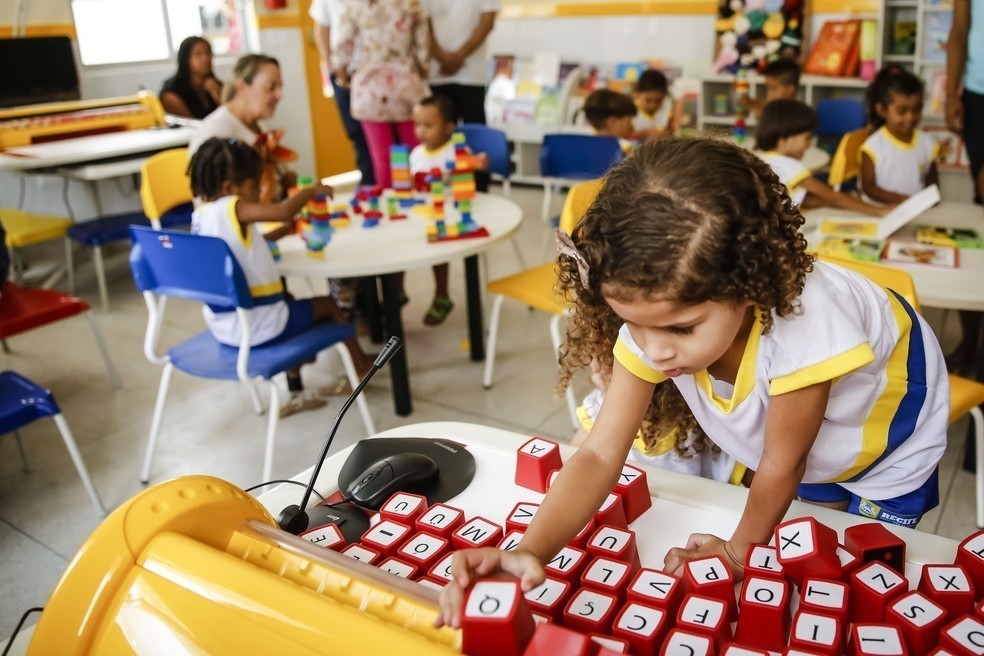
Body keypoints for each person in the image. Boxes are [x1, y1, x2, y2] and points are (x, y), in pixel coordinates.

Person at [437, 138, 949, 626]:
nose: (654, 350)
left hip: (890, 451)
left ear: (751, 285)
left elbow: (782, 463)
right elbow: (597, 454)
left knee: (864, 576)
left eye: (681, 328)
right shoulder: (659, 324)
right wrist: (528, 550)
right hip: (809, 448)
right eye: (632, 322)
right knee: (807, 558)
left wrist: (736, 552)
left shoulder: (806, 328)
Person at [188, 137, 376, 417]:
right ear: (229, 188)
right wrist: (312, 191)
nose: (258, 192)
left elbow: (239, 247)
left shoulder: (202, 216)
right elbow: (282, 210)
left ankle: (296, 378)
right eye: (254, 186)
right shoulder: (233, 207)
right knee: (328, 305)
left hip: (225, 325)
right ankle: (360, 368)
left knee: (290, 300)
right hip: (259, 326)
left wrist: (280, 233)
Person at [407, 96, 487, 326]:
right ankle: (398, 291)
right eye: (417, 125)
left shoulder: (457, 151)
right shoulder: (416, 155)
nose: (421, 131)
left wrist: (477, 163)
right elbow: (413, 186)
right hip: (423, 212)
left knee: (438, 249)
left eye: (428, 125)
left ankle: (441, 294)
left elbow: (470, 171)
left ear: (448, 127)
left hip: (451, 213)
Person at [333, 0, 430, 189]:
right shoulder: (412, 4)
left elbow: (342, 45)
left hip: (370, 88)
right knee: (416, 153)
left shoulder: (355, 5)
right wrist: (421, 71)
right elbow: (422, 50)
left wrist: (343, 76)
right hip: (406, 85)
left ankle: (391, 207)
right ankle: (422, 201)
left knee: (383, 158)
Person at [188, 54, 297, 203]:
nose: (279, 95)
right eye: (271, 87)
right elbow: (211, 205)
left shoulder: (258, 125)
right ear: (242, 88)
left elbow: (282, 177)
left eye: (279, 87)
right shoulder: (215, 133)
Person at [757, 99, 888, 216]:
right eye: (807, 138)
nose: (809, 145)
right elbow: (833, 196)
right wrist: (878, 211)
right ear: (785, 138)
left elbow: (805, 201)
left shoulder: (761, 157)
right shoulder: (790, 166)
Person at [944, 0, 984, 371]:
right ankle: (971, 343)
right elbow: (959, 32)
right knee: (979, 212)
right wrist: (951, 91)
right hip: (977, 93)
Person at [309, 0, 376, 187]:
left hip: (375, 73)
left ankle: (380, 181)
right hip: (342, 72)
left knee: (379, 131)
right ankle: (368, 181)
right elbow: (322, 29)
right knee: (355, 131)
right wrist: (331, 66)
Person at [860, 66, 940, 205]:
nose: (910, 117)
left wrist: (928, 201)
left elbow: (932, 184)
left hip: (916, 212)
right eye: (902, 111)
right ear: (882, 110)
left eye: (917, 109)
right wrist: (904, 201)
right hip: (879, 211)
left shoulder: (928, 143)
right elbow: (868, 188)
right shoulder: (873, 146)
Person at [424, 0, 499, 126]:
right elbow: (423, 26)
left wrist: (456, 57)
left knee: (475, 135)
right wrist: (443, 58)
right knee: (440, 134)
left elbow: (487, 24)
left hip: (471, 76)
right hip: (437, 75)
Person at [159, 36, 223, 120]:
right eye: (198, 54)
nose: (205, 58)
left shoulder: (216, 84)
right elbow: (191, 125)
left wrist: (220, 98)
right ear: (185, 59)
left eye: (208, 53)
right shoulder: (172, 91)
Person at [632, 69, 673, 142]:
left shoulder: (667, 110)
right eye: (648, 100)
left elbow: (671, 133)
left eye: (658, 101)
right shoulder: (629, 111)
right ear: (636, 94)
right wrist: (644, 133)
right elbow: (622, 136)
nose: (653, 105)